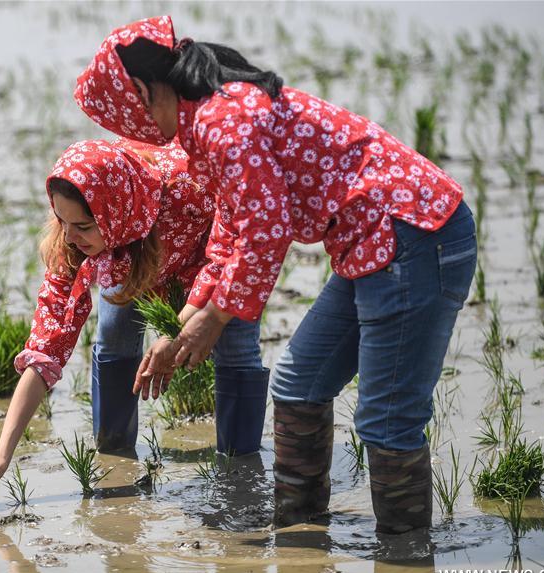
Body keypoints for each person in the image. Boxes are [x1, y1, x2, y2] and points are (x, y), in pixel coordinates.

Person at [73, 16, 476, 535]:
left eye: (134, 115)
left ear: (147, 91)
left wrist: (214, 320)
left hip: (414, 236)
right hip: (371, 245)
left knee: (386, 421)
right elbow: (230, 230)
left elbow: (266, 229)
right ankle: (300, 537)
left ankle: (404, 561)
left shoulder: (225, 119)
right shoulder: (207, 123)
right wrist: (183, 325)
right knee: (297, 385)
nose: (142, 131)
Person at [0, 137, 267, 507]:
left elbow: (241, 246)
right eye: (62, 220)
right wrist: (0, 456)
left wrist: (182, 328)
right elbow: (45, 350)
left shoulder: (190, 190)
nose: (71, 237)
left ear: (115, 212)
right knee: (114, 334)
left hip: (210, 259)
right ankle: (115, 455)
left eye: (83, 225)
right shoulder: (75, 242)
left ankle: (241, 473)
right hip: (129, 252)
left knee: (236, 347)